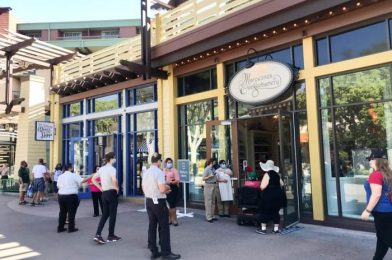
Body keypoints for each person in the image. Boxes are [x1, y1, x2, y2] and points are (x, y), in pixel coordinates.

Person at [142, 152, 181, 260]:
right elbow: (162, 189)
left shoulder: (146, 172)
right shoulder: (159, 172)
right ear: (159, 161)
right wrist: (168, 189)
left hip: (149, 200)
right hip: (159, 201)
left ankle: (153, 250)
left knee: (152, 225)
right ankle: (166, 253)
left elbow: (143, 187)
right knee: (164, 227)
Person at [361, 149, 392, 260]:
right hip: (388, 211)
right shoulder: (388, 174)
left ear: (376, 160)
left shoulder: (375, 175)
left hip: (381, 212)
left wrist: (367, 211)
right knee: (382, 239)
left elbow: (376, 195)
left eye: (371, 159)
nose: (369, 161)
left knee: (386, 237)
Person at [92, 152, 121, 244]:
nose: (115, 159)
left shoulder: (101, 169)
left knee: (105, 214)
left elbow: (93, 179)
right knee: (113, 215)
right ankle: (110, 235)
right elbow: (114, 179)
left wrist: (100, 188)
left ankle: (98, 234)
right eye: (114, 158)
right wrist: (117, 188)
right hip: (111, 192)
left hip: (104, 193)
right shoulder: (112, 169)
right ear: (111, 159)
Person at [57, 163, 90, 233]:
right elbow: (82, 181)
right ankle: (71, 228)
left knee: (62, 212)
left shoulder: (61, 176)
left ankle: (60, 227)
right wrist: (91, 176)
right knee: (71, 212)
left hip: (61, 195)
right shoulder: (73, 175)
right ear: (70, 168)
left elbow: (58, 186)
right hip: (71, 196)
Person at [256, 160, 285, 235]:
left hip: (269, 195)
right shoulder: (277, 174)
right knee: (276, 212)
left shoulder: (267, 174)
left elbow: (262, 187)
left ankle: (263, 229)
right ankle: (276, 229)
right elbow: (282, 184)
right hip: (278, 195)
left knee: (265, 211)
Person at [164, 158, 180, 226]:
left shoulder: (174, 170)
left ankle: (174, 219)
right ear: (165, 163)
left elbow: (177, 180)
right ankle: (169, 219)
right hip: (165, 187)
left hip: (173, 187)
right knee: (167, 205)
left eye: (170, 162)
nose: (169, 163)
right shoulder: (163, 170)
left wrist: (171, 182)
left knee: (172, 204)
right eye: (168, 162)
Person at [202, 158, 219, 223]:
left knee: (213, 201)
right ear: (211, 162)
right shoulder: (207, 169)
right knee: (208, 202)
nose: (215, 162)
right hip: (208, 185)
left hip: (214, 185)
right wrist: (209, 176)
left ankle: (212, 215)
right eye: (214, 161)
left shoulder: (213, 169)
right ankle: (208, 217)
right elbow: (203, 178)